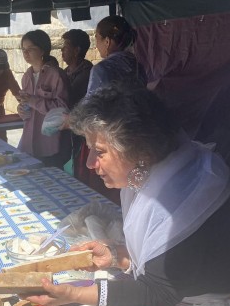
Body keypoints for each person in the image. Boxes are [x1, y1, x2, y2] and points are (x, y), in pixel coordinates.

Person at [25, 82, 230, 306]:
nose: (90, 163)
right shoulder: (168, 168)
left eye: (99, 152)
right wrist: (117, 256)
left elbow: (158, 292)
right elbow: (168, 267)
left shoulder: (179, 205)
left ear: (139, 151)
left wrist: (72, 294)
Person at [74, 16, 147, 202]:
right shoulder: (139, 66)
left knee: (102, 191)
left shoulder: (102, 69)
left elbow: (91, 111)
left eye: (97, 39)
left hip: (107, 141)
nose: (96, 44)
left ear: (107, 41)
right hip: (135, 140)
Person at [17, 29, 70, 168]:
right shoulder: (26, 77)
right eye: (23, 49)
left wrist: (33, 101)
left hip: (50, 143)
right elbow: (26, 106)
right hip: (29, 142)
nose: (25, 53)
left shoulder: (56, 75)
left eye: (31, 49)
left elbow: (62, 109)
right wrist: (22, 110)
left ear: (42, 50)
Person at [61, 29, 93, 109]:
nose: (62, 49)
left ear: (76, 50)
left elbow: (68, 98)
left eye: (66, 47)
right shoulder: (65, 72)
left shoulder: (87, 73)